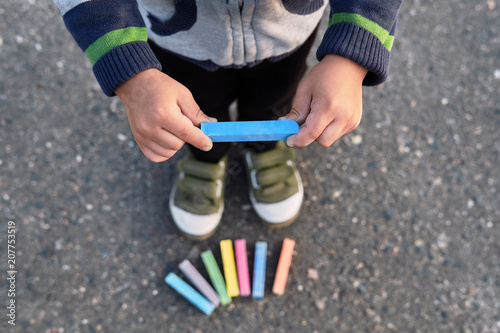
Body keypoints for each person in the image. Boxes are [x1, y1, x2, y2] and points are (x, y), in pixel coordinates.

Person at [53, 0, 403, 239]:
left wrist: (354, 50)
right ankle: (205, 156)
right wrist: (130, 71)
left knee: (279, 101)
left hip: (287, 33)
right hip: (179, 40)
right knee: (192, 111)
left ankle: (265, 145)